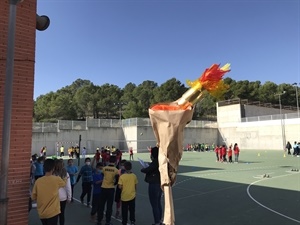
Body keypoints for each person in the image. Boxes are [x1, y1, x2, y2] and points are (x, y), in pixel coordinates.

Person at [31, 159, 66, 225]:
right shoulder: (57, 179)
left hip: (42, 212)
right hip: (53, 212)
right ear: (53, 168)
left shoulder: (38, 181)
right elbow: (64, 183)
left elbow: (33, 196)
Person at [140, 147, 162, 225]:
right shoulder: (160, 161)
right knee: (158, 203)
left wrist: (143, 169)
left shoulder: (155, 162)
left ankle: (157, 222)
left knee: (154, 205)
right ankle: (159, 220)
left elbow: (147, 170)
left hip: (154, 184)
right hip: (159, 183)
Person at [97, 155, 119, 225]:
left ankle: (99, 220)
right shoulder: (116, 170)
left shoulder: (104, 168)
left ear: (109, 161)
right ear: (115, 161)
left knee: (101, 205)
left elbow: (102, 175)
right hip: (111, 189)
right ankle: (107, 221)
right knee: (109, 206)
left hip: (103, 188)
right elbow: (117, 180)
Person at [118, 161, 138, 225]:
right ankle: (132, 221)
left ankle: (124, 221)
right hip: (132, 195)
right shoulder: (134, 176)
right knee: (132, 210)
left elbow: (120, 186)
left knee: (124, 210)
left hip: (124, 196)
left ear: (124, 167)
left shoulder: (122, 177)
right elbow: (135, 185)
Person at [53, 159, 72, 225]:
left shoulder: (52, 174)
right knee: (62, 214)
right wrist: (69, 197)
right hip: (63, 197)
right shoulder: (66, 174)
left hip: (54, 197)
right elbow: (68, 187)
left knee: (54, 214)